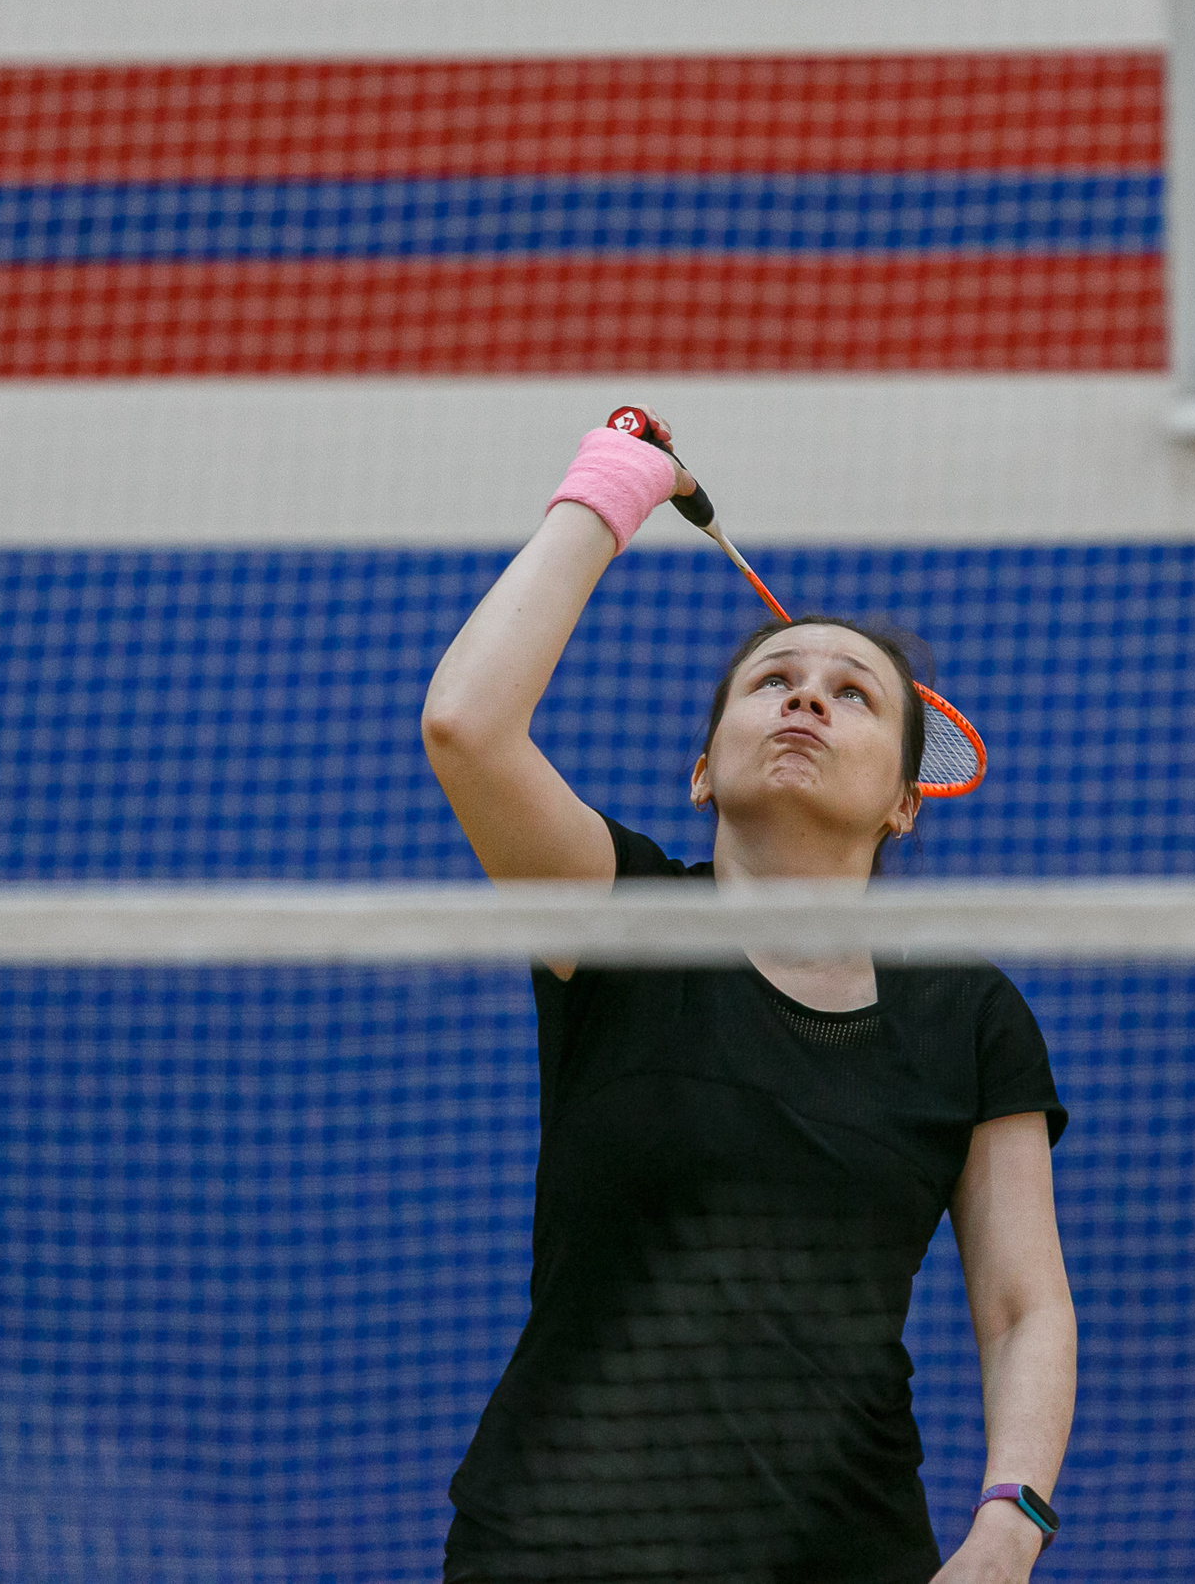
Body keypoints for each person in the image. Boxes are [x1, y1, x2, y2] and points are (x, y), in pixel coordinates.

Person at [421, 416, 1076, 1584]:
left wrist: (1008, 1524)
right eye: (773, 682)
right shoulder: (624, 926)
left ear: (905, 802)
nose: (806, 701)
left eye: (852, 695)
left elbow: (1024, 1306)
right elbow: (466, 727)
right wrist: (613, 483)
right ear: (701, 770)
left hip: (846, 1553)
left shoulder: (968, 1015)